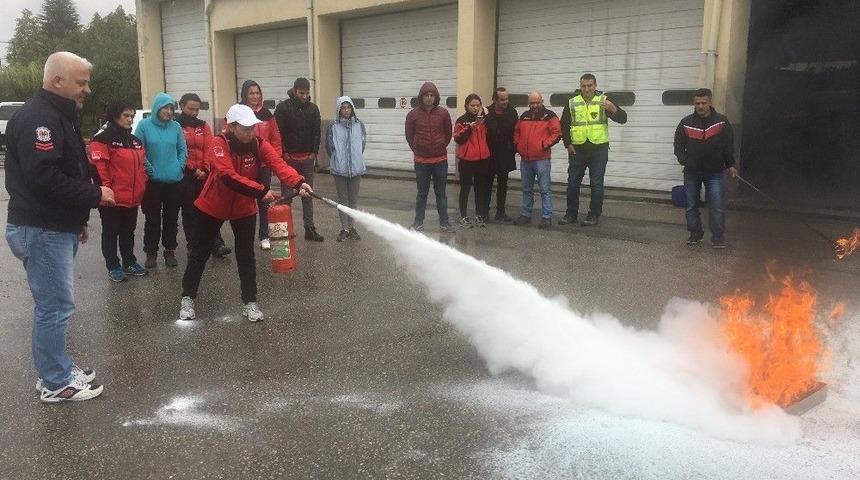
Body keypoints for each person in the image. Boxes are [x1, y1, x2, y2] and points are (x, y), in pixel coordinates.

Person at [5, 51, 114, 402]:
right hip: (42, 228)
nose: (88, 90)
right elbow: (43, 178)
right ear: (57, 81)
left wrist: (77, 219)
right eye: (82, 83)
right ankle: (55, 382)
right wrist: (95, 195)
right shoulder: (39, 118)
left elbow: (69, 168)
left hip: (54, 225)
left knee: (55, 305)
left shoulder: (58, 115)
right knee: (54, 307)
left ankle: (56, 368)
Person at [180, 104, 313, 322]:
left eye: (252, 127)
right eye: (245, 128)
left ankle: (250, 302)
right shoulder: (219, 143)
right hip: (213, 205)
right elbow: (227, 176)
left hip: (244, 208)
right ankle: (187, 298)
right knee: (199, 253)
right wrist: (261, 190)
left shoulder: (259, 144)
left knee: (246, 256)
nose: (250, 132)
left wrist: (298, 182)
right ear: (231, 127)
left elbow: (278, 164)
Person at [89, 100, 149, 282]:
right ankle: (113, 266)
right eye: (126, 115)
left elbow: (142, 168)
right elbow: (99, 168)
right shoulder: (102, 140)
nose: (130, 119)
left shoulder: (135, 141)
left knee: (128, 232)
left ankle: (129, 262)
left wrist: (142, 185)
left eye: (132, 116)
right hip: (112, 198)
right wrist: (106, 192)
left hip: (133, 198)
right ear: (115, 116)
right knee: (110, 232)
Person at [560, 73, 628, 226]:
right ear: (580, 86)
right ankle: (571, 214)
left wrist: (614, 110)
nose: (587, 89)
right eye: (583, 86)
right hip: (577, 150)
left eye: (590, 85)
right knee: (572, 183)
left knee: (596, 184)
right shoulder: (572, 102)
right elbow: (564, 124)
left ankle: (594, 215)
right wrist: (568, 144)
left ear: (595, 86)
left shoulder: (604, 100)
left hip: (599, 150)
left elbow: (623, 119)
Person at [673, 88, 737, 249]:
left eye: (703, 103)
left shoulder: (721, 122)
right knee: (691, 206)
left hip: (715, 172)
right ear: (694, 103)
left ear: (710, 102)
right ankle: (695, 234)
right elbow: (678, 145)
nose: (700, 106)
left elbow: (728, 145)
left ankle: (718, 238)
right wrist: (685, 161)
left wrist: (730, 164)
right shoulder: (685, 122)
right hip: (692, 172)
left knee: (717, 206)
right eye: (697, 103)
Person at [134, 92, 187, 268]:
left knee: (171, 218)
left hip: (174, 180)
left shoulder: (176, 127)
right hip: (152, 182)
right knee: (152, 219)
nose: (169, 111)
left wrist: (179, 166)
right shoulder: (144, 125)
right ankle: (151, 252)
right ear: (157, 108)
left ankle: (170, 250)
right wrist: (149, 169)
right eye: (165, 108)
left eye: (171, 108)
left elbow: (182, 149)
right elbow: (138, 150)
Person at [177, 93, 231, 258]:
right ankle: (193, 245)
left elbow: (209, 148)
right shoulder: (176, 125)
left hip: (204, 173)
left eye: (197, 109)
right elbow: (179, 150)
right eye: (191, 109)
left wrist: (205, 169)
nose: (194, 113)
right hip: (186, 174)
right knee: (190, 211)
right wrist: (193, 169)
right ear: (182, 106)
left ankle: (216, 244)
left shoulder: (204, 126)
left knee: (209, 209)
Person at [233, 80, 282, 250]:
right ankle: (243, 235)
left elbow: (275, 138)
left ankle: (264, 235)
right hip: (245, 163)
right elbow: (230, 135)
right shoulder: (238, 112)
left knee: (264, 199)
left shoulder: (267, 114)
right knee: (244, 199)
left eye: (257, 93)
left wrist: (274, 160)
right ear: (245, 95)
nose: (255, 96)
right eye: (251, 93)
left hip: (263, 165)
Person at [274, 77, 324, 242]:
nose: (304, 96)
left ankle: (309, 229)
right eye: (301, 93)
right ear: (294, 90)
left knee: (307, 194)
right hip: (289, 159)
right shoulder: (283, 108)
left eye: (307, 93)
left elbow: (317, 132)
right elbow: (278, 133)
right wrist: (284, 153)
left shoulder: (313, 109)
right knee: (287, 196)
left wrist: (313, 153)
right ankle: (287, 229)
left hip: (307, 159)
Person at [405, 81, 455, 233]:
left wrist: (441, 145)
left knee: (441, 194)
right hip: (421, 161)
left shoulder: (443, 113)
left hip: (440, 161)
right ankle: (418, 222)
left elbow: (448, 133)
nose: (429, 98)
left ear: (436, 97)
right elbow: (409, 136)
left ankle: (444, 223)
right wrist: (417, 148)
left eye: (432, 95)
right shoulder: (412, 115)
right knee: (422, 194)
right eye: (426, 95)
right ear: (421, 97)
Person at [513, 91, 561, 229]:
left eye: (537, 102)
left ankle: (546, 217)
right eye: (532, 103)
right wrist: (518, 145)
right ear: (529, 103)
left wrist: (543, 145)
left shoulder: (550, 116)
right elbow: (516, 132)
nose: (534, 105)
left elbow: (557, 133)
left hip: (542, 159)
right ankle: (526, 214)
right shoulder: (524, 116)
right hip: (526, 159)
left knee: (545, 189)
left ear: (542, 101)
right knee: (526, 189)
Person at [326, 96, 367, 242]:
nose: (346, 110)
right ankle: (344, 229)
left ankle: (352, 227)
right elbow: (329, 146)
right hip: (340, 169)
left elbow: (362, 144)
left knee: (353, 199)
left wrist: (355, 158)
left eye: (348, 107)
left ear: (352, 108)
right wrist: (338, 159)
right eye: (343, 108)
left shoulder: (359, 125)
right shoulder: (333, 126)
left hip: (356, 168)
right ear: (339, 110)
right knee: (342, 199)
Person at [453, 93, 491, 228]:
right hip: (467, 160)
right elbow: (458, 138)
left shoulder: (483, 120)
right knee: (465, 189)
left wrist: (486, 115)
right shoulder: (461, 120)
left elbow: (491, 132)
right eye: (472, 105)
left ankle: (479, 215)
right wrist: (470, 127)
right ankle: (463, 216)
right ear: (467, 106)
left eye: (478, 105)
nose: (475, 108)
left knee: (480, 189)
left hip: (482, 159)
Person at [484, 87, 518, 223]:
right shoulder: (487, 111)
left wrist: (513, 148)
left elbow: (514, 131)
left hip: (505, 153)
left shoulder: (512, 112)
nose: (505, 102)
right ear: (495, 99)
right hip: (489, 153)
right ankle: (484, 212)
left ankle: (501, 212)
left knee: (503, 184)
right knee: (487, 184)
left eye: (507, 99)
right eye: (502, 99)